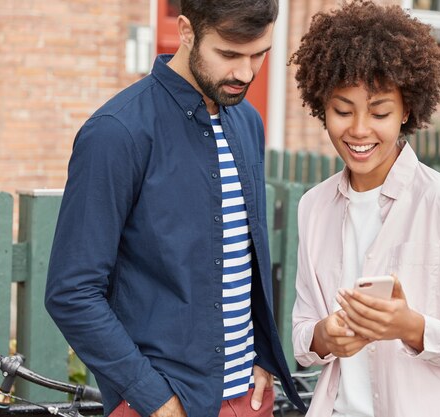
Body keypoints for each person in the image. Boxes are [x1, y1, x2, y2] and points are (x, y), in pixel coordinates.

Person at [44, 1, 305, 417]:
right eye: (229, 54)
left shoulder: (248, 122)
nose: (246, 72)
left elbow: (241, 259)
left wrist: (260, 360)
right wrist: (156, 401)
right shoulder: (116, 132)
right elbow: (71, 292)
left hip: (249, 400)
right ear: (186, 31)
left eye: (260, 54)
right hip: (163, 405)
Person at [289, 1, 440, 416]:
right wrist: (326, 336)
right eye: (342, 111)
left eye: (379, 112)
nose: (359, 130)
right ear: (321, 107)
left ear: (407, 111)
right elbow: (302, 337)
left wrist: (411, 327)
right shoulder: (313, 207)